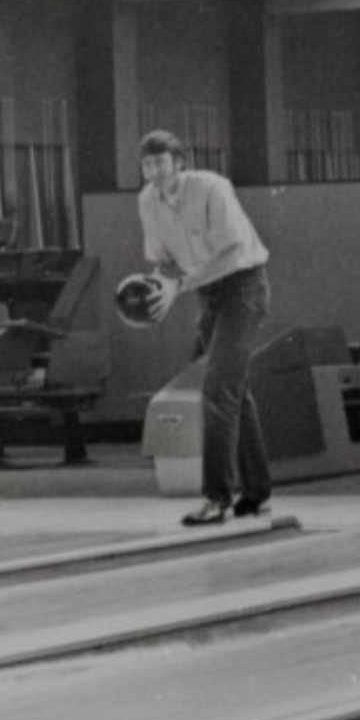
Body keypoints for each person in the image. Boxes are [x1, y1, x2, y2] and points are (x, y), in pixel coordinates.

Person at [136, 130, 273, 528]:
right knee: (233, 390)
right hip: (207, 292)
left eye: (161, 163)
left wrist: (179, 285)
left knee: (217, 390)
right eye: (147, 165)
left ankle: (217, 498)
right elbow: (163, 262)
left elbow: (231, 252)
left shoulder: (212, 188)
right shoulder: (147, 201)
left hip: (244, 286)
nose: (154, 172)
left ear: (180, 162)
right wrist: (157, 289)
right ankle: (257, 493)